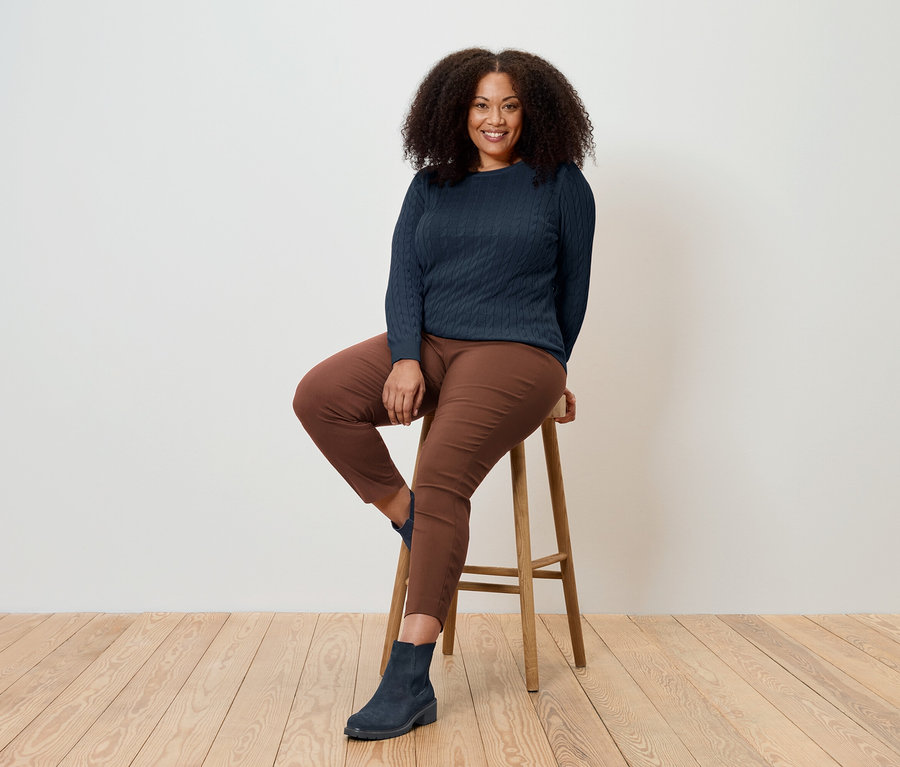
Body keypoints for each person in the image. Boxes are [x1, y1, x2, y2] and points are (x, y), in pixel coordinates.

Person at [293, 47, 595, 741]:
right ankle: (410, 518)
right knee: (319, 395)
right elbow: (403, 283)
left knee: (442, 474)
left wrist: (556, 371)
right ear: (457, 110)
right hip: (431, 341)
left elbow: (571, 297)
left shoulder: (561, 185)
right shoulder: (430, 186)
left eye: (511, 105)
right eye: (482, 104)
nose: (496, 119)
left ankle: (409, 674)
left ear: (534, 112)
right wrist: (405, 358)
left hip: (519, 351)